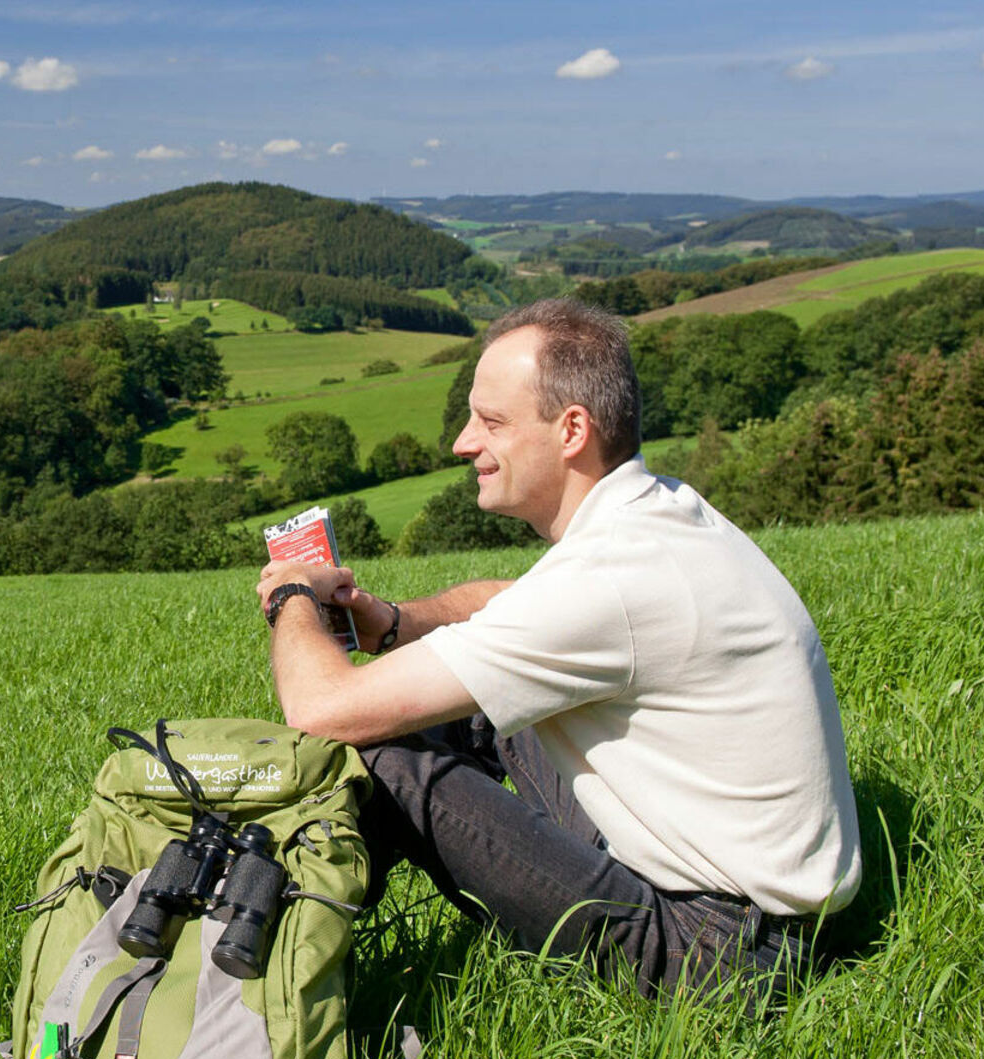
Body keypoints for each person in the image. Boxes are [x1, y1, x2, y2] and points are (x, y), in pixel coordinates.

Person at [254, 297, 861, 996]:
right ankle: (289, 943)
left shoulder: (610, 580)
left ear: (572, 429)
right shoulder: (654, 515)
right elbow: (509, 604)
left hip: (718, 954)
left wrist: (290, 594)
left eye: (491, 422)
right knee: (464, 704)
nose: (462, 442)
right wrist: (392, 622)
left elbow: (321, 708)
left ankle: (281, 974)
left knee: (381, 750)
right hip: (764, 913)